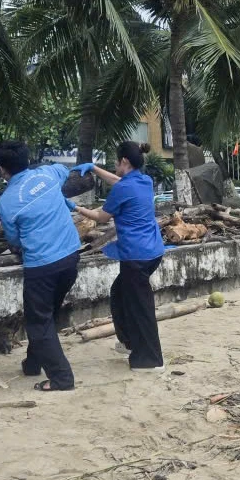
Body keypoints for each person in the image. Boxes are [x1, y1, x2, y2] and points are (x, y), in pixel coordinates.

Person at [0, 141, 83, 391]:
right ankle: (33, 363)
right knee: (46, 314)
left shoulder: (6, 202)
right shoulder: (47, 173)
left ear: (1, 169)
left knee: (38, 320)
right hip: (70, 257)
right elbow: (65, 171)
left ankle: (62, 378)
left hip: (41, 265)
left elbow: (13, 240)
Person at [74, 142, 167, 371]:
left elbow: (101, 216)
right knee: (119, 292)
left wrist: (73, 207)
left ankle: (150, 360)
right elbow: (119, 182)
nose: (115, 166)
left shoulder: (124, 188)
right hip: (152, 252)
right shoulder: (144, 181)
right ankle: (129, 342)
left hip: (136, 256)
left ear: (124, 161)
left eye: (116, 161)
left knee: (140, 306)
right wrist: (94, 169)